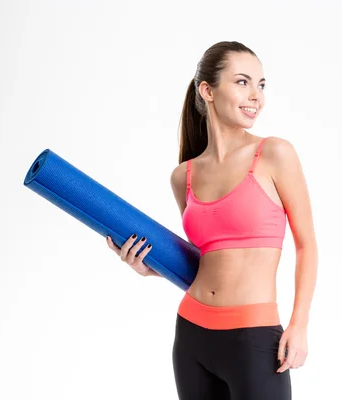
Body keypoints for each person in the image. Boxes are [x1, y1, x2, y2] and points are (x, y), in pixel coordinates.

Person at [106, 41, 318, 400]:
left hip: (253, 335)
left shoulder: (274, 154)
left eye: (261, 85)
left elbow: (306, 244)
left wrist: (299, 324)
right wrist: (153, 268)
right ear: (207, 90)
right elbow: (204, 259)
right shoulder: (183, 176)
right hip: (192, 336)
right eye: (242, 82)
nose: (256, 96)